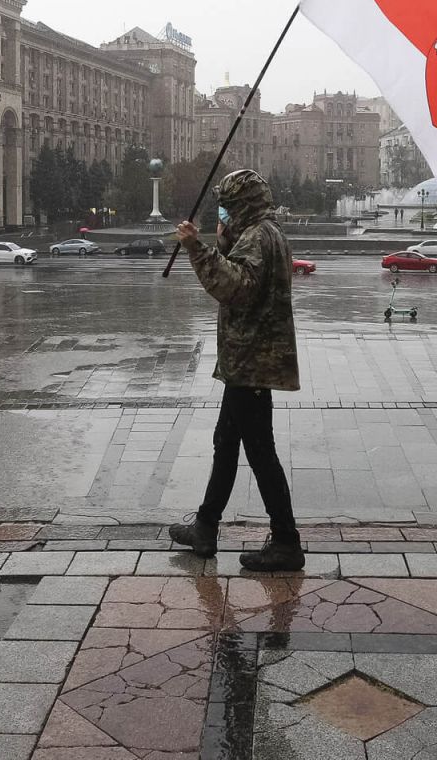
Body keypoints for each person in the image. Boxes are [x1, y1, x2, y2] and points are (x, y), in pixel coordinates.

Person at [169, 169, 304, 572]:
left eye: (228, 205)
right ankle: (206, 527)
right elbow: (243, 270)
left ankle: (286, 541)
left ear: (243, 204)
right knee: (226, 443)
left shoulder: (260, 236)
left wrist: (196, 248)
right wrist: (222, 238)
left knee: (259, 452)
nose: (224, 212)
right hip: (248, 359)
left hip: (252, 361)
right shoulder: (262, 232)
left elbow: (237, 287)